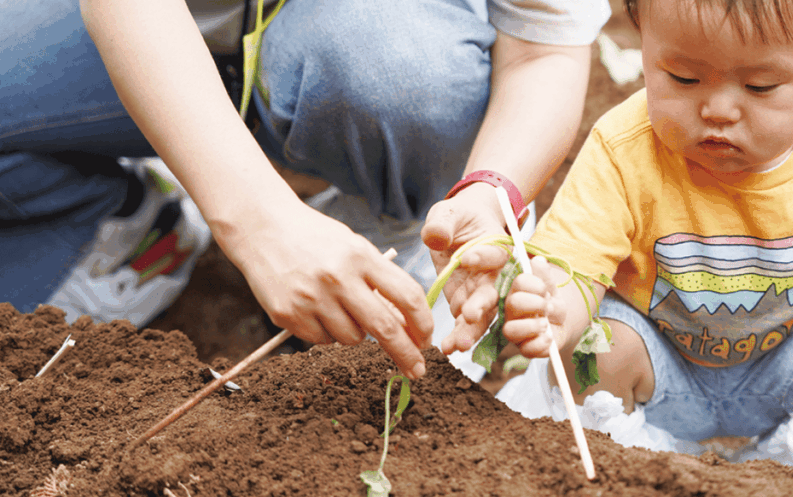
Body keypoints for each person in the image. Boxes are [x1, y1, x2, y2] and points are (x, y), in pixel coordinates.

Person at [447, 0, 793, 450]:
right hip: (660, 373)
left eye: (760, 86)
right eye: (683, 77)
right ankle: (632, 458)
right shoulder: (624, 151)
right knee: (596, 345)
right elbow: (577, 265)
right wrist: (552, 313)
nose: (719, 109)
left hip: (783, 372)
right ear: (644, 37)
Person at [0, 0, 611, 380]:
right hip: (152, 29)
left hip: (366, 45)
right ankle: (128, 226)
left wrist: (484, 194)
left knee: (399, 71)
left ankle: (396, 228)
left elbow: (542, 50)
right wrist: (258, 222)